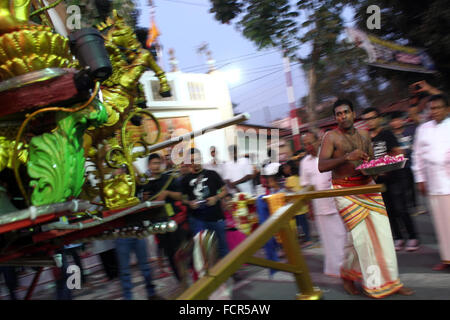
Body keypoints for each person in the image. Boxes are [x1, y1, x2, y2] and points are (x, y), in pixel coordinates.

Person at [318, 98, 413, 298]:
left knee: (383, 236)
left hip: (367, 187)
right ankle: (373, 284)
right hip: (344, 191)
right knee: (362, 239)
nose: (342, 116)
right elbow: (322, 165)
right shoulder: (331, 137)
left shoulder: (364, 135)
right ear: (336, 117)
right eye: (338, 114)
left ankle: (391, 281)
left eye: (346, 112)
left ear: (354, 114)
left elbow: (369, 163)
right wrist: (346, 157)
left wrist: (381, 169)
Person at [361, 107, 419, 252]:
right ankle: (398, 238)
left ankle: (412, 237)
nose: (370, 121)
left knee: (401, 208)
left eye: (372, 118)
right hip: (379, 181)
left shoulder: (387, 133)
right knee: (388, 211)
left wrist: (386, 164)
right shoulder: (366, 138)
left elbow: (399, 153)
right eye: (367, 119)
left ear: (379, 118)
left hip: (395, 178)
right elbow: (367, 159)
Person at [411, 82, 450, 271]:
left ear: (447, 109)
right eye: (431, 108)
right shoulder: (423, 129)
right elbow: (417, 155)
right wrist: (420, 179)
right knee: (441, 224)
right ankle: (446, 258)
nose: (434, 111)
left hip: (449, 180)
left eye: (438, 107)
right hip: (433, 183)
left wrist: (431, 89)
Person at [300, 131, 347, 277]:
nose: (308, 147)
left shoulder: (330, 156)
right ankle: (334, 269)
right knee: (327, 240)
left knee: (342, 236)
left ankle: (347, 267)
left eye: (310, 143)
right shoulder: (304, 163)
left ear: (318, 141)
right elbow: (305, 186)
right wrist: (309, 207)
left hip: (337, 202)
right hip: (319, 206)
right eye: (305, 144)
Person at [139, 153, 189, 282]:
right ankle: (181, 281)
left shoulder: (169, 179)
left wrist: (167, 193)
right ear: (149, 166)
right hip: (158, 222)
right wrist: (144, 200)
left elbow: (181, 196)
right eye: (153, 163)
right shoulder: (145, 184)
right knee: (169, 254)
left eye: (157, 163)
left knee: (181, 250)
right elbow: (142, 203)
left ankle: (191, 274)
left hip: (173, 219)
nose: (155, 166)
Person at [180, 148, 229, 259]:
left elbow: (225, 190)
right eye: (192, 160)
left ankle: (229, 272)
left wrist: (216, 198)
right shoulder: (185, 180)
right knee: (204, 250)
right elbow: (182, 199)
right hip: (197, 219)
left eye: (196, 159)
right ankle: (212, 274)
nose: (195, 162)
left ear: (201, 158)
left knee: (223, 247)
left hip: (216, 216)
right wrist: (189, 203)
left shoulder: (212, 174)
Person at [281, 160, 312, 247]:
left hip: (295, 206)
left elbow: (287, 189)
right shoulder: (300, 177)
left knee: (298, 224)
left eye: (285, 167)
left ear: (289, 168)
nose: (284, 169)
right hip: (302, 204)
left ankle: (304, 239)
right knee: (304, 223)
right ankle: (307, 239)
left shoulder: (289, 179)